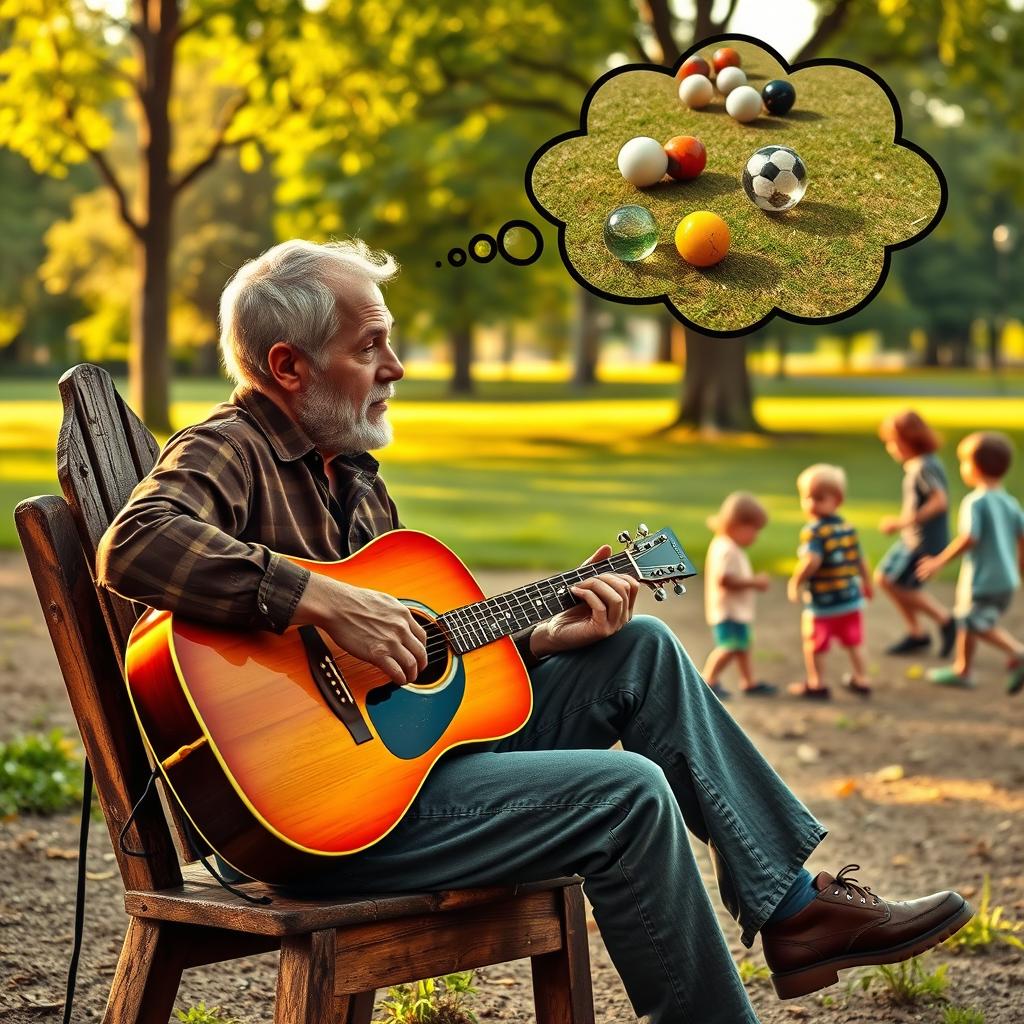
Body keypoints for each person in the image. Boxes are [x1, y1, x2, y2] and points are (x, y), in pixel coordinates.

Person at [96, 240, 972, 1023]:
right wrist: (320, 600)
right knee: (623, 793)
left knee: (643, 651)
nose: (396, 366)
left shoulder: (356, 479)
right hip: (319, 821)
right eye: (370, 347)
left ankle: (794, 913)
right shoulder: (231, 448)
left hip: (402, 775)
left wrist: (543, 641)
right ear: (288, 366)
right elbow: (134, 542)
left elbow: (411, 679)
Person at [917, 431, 1024, 694]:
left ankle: (1018, 652)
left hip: (983, 580)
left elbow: (970, 538)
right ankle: (962, 669)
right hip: (1007, 579)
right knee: (972, 621)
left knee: (974, 622)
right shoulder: (1010, 502)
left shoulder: (975, 501)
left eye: (963, 462)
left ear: (974, 468)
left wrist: (939, 561)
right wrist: (1019, 564)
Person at [787, 464, 874, 699]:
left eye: (819, 498)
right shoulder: (848, 528)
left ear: (837, 499)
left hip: (823, 603)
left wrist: (795, 582)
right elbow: (860, 559)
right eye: (807, 497)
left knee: (813, 643)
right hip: (850, 599)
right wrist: (867, 583)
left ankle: (817, 683)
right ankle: (862, 678)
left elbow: (812, 561)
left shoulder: (813, 531)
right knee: (853, 642)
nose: (811, 504)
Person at [875, 410, 956, 657]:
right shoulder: (920, 465)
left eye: (893, 442)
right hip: (911, 539)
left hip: (924, 542)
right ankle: (917, 633)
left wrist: (902, 523)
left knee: (904, 587)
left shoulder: (923, 466)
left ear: (909, 440)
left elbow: (939, 501)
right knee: (885, 578)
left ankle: (945, 621)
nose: (890, 448)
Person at [702, 492, 776, 699]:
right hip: (729, 611)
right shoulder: (727, 548)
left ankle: (748, 681)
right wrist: (755, 582)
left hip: (737, 611)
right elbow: (725, 580)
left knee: (744, 646)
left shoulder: (728, 545)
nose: (756, 536)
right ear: (736, 525)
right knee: (730, 647)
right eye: (754, 530)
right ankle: (708, 680)